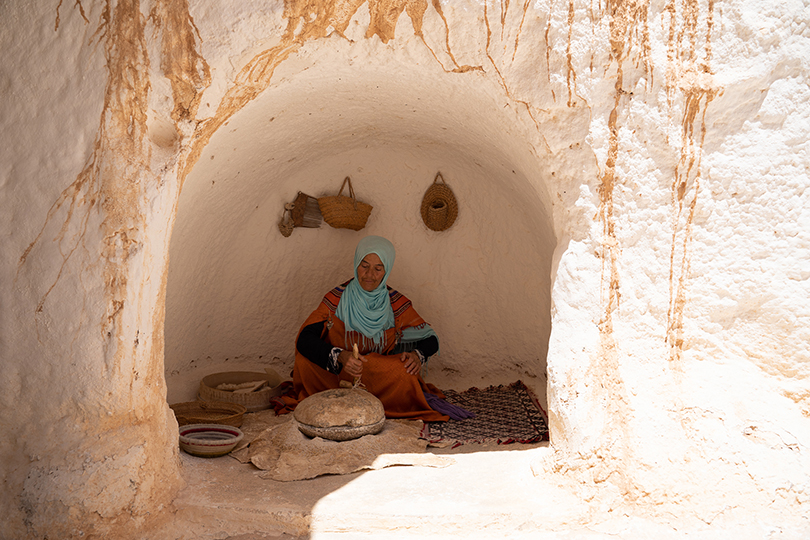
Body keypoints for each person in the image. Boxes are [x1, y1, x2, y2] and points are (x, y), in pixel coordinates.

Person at [280, 235, 471, 422]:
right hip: (337, 372)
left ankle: (360, 399)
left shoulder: (395, 303)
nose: (369, 275)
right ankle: (352, 397)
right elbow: (305, 339)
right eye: (364, 266)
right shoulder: (336, 299)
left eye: (378, 269)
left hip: (374, 374)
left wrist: (416, 355)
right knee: (304, 361)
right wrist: (340, 356)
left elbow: (430, 340)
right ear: (356, 264)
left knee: (403, 371)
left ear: (386, 270)